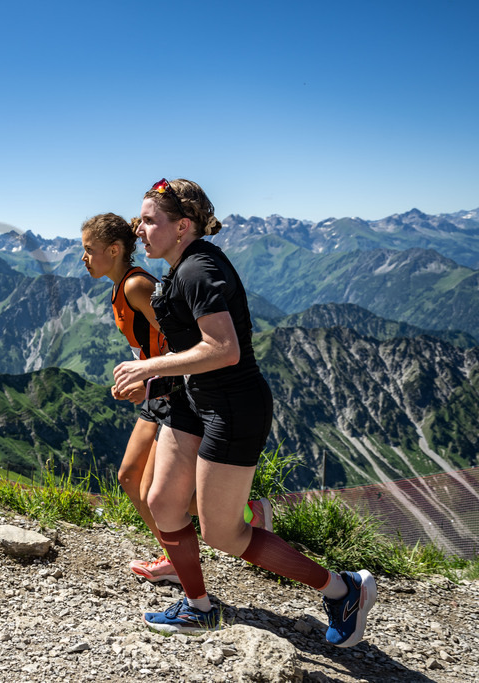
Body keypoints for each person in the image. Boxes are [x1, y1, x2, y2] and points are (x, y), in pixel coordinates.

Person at [114, 178, 376, 647]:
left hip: (233, 408)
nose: (140, 229)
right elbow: (192, 348)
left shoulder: (199, 269)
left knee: (224, 533)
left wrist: (151, 365)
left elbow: (224, 348)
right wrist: (155, 381)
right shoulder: (176, 269)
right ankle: (199, 607)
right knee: (163, 503)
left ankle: (343, 589)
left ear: (183, 226)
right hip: (194, 401)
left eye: (151, 220)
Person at [82, 213, 270, 585]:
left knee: (151, 487)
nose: (84, 258)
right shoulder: (123, 286)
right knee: (131, 477)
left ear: (114, 250)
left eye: (89, 250)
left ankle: (238, 518)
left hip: (173, 388)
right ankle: (185, 547)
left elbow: (177, 337)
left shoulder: (136, 286)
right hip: (159, 384)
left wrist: (149, 378)